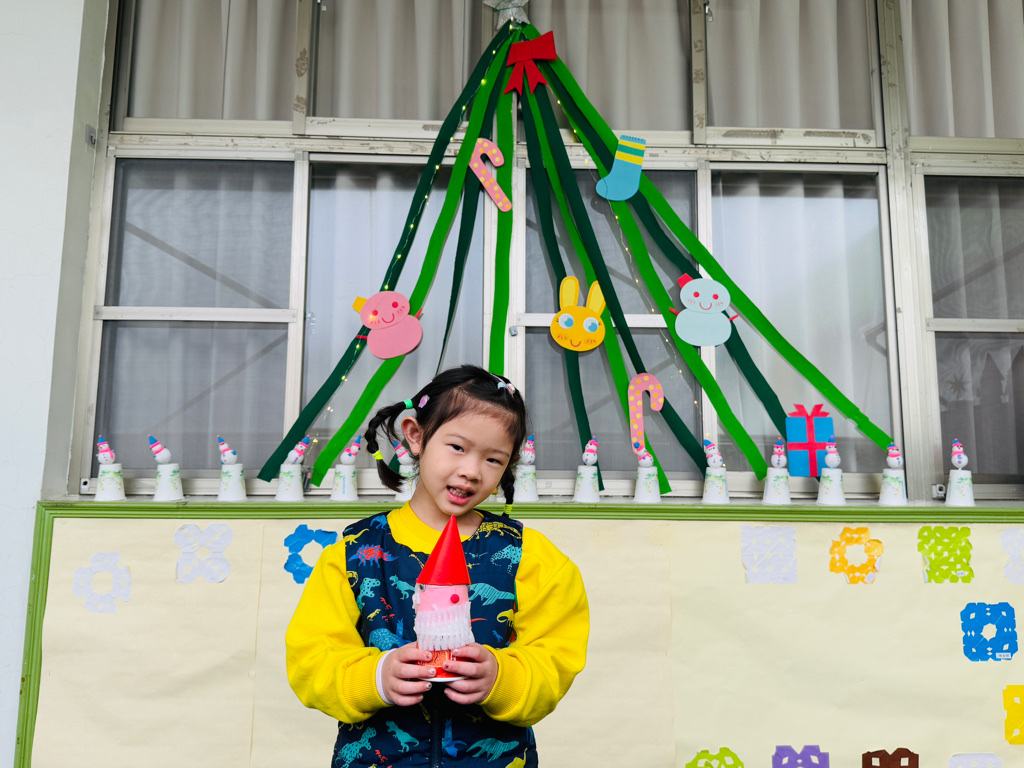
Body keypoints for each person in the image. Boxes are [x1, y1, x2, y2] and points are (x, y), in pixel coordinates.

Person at [286, 365, 589, 767]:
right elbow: (310, 660)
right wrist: (375, 677)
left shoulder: (531, 557)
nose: (471, 471)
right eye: (458, 447)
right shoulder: (352, 554)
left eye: (493, 459)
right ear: (415, 435)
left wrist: (501, 678)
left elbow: (555, 662)